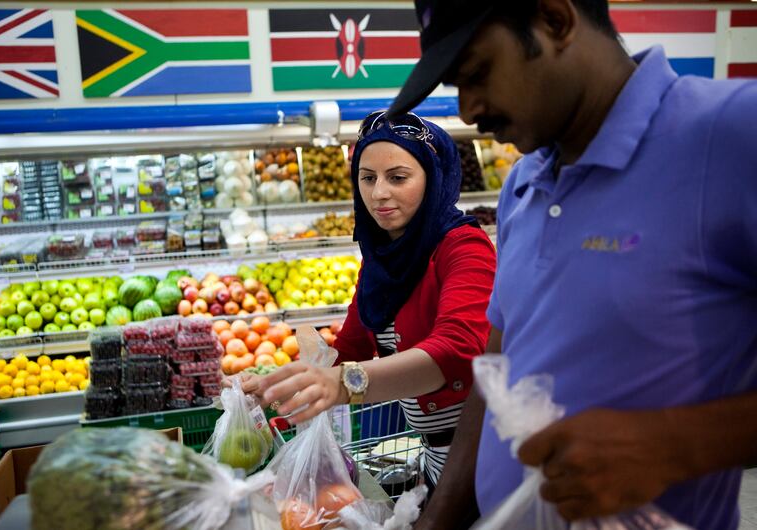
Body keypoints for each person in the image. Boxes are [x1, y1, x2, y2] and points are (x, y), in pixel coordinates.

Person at [385, 0, 757, 529]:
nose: (468, 109)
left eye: (477, 74)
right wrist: (439, 518)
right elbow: (497, 373)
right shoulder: (522, 185)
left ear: (556, 21)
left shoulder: (731, 134)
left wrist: (673, 445)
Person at [254, 111, 497, 493]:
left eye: (398, 178)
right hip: (437, 460)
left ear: (433, 179)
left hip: (489, 457)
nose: (379, 193)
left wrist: (345, 384)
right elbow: (347, 350)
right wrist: (273, 386)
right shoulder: (381, 260)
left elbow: (458, 348)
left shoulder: (463, 246)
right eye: (367, 178)